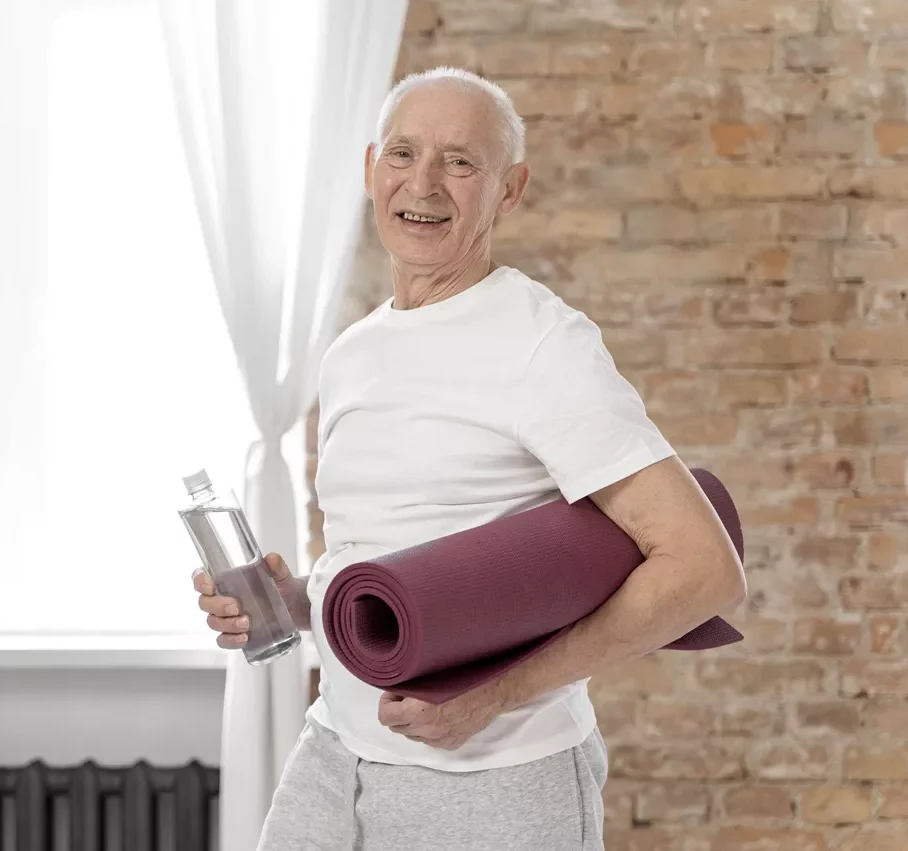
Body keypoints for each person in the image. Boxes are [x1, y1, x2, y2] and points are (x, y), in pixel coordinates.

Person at [193, 66, 747, 850]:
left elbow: (703, 569)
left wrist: (496, 692)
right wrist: (293, 602)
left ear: (508, 190)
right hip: (337, 755)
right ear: (368, 168)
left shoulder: (543, 344)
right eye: (402, 154)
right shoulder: (351, 354)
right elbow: (385, 558)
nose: (423, 183)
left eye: (460, 162)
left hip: (499, 783)